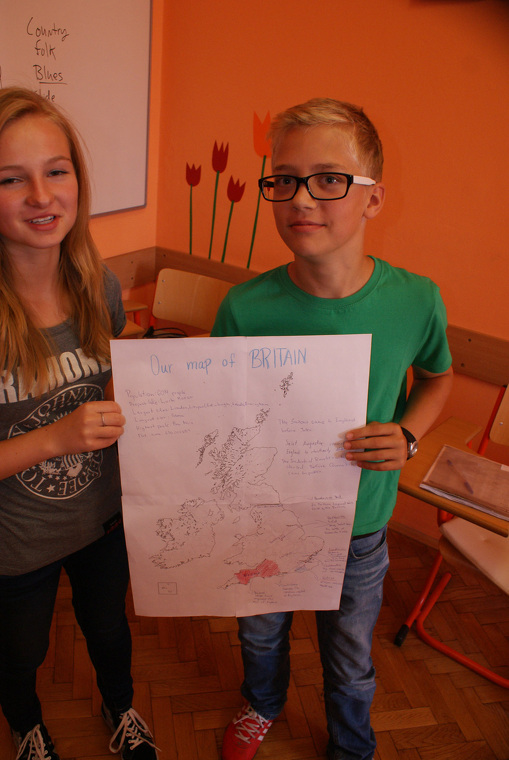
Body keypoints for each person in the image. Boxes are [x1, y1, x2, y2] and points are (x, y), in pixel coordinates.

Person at [211, 98, 453, 760]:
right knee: (259, 634)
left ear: (373, 198)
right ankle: (262, 703)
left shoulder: (415, 299)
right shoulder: (245, 307)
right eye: (284, 180)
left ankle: (351, 743)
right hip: (265, 517)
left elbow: (437, 378)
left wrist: (407, 435)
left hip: (358, 528)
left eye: (328, 179)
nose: (300, 198)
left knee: (348, 655)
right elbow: (221, 411)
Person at [0, 87, 157, 760]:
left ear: (77, 179)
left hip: (102, 519)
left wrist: (161, 386)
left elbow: (109, 374)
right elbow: (64, 429)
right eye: (10, 178)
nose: (40, 195)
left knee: (109, 628)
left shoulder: (100, 286)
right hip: (17, 542)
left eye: (55, 170)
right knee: (19, 650)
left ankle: (121, 706)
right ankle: (26, 723)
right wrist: (56, 438)